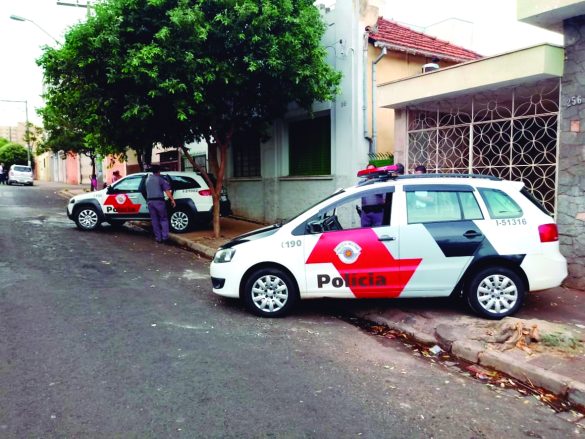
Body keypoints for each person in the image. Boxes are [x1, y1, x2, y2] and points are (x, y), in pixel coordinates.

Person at [145, 165, 176, 243]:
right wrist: (172, 200)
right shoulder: (160, 179)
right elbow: (167, 191)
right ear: (159, 171)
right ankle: (165, 237)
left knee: (154, 220)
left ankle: (158, 238)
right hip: (159, 202)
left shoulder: (147, 179)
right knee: (164, 219)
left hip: (150, 202)